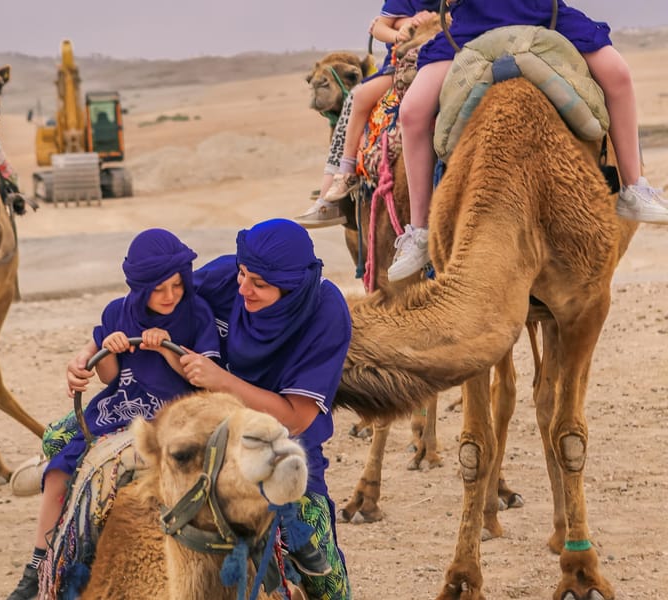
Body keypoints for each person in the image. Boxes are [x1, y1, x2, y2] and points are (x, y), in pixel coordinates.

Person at [7, 228, 220, 600]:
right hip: (122, 408)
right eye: (158, 289)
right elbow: (107, 376)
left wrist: (167, 351)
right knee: (61, 472)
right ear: (139, 289)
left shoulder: (197, 313)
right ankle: (39, 566)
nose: (169, 296)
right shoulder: (117, 313)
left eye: (176, 285)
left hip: (175, 414)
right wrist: (111, 348)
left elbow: (203, 379)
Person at [387, 0, 668, 282]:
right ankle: (420, 230)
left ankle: (633, 188)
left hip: (544, 16)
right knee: (412, 112)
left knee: (617, 74)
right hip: (471, 27)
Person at [185, 219, 353, 599]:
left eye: (259, 284)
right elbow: (157, 304)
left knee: (325, 579)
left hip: (284, 454)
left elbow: (296, 417)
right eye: (243, 274)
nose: (242, 287)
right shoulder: (230, 277)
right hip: (208, 438)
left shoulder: (325, 313)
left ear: (291, 289)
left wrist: (222, 381)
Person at [296, 0, 440, 228]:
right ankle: (344, 172)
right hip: (402, 65)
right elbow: (379, 28)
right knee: (359, 97)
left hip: (445, 57)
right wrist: (402, 31)